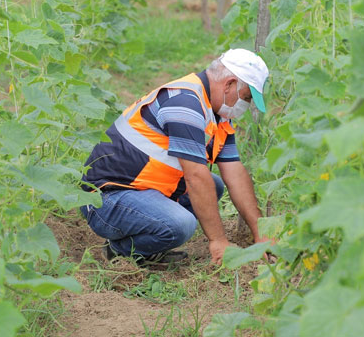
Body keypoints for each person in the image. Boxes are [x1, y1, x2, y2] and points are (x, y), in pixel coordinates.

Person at [79, 48, 270, 266]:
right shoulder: (185, 104)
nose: (244, 106)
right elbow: (196, 177)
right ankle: (119, 250)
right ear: (229, 84)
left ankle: (149, 239)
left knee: (214, 186)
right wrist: (219, 241)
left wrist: (261, 233)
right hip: (105, 198)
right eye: (245, 98)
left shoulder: (217, 115)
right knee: (180, 224)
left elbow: (234, 171)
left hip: (139, 188)